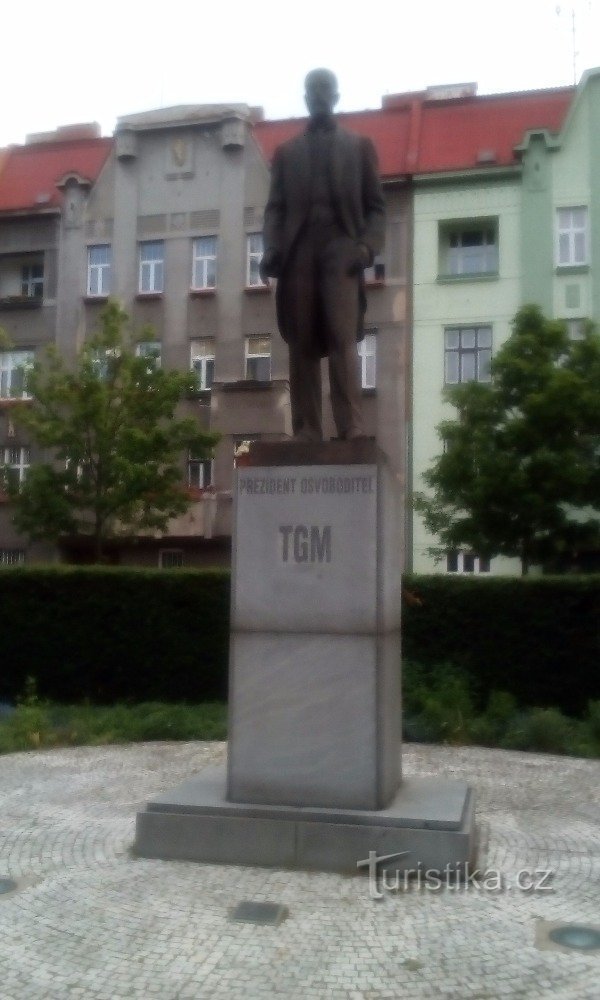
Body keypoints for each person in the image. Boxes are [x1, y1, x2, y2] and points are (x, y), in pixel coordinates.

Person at [260, 68, 385, 442]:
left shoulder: (358, 147)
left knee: (342, 336)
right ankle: (307, 429)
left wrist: (365, 248)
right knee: (302, 341)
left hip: (341, 248)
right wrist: (272, 248)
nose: (318, 96)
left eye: (324, 90)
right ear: (305, 98)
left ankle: (350, 426)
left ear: (335, 95)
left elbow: (377, 208)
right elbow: (275, 209)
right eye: (311, 90)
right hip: (300, 250)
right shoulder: (287, 153)